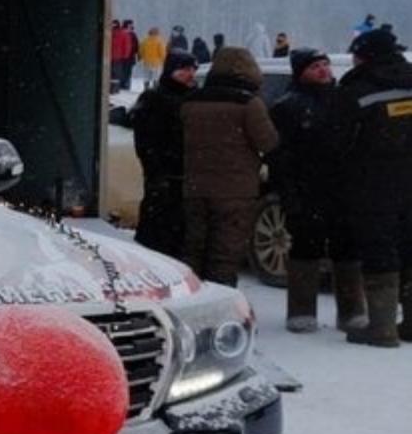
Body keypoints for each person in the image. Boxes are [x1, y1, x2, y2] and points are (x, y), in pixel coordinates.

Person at [269, 49, 363, 333]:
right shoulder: (287, 106)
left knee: (347, 248)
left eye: (325, 65)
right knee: (305, 248)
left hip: (344, 188)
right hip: (306, 188)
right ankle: (301, 311)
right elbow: (279, 157)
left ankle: (352, 312)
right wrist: (288, 194)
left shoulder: (345, 99)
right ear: (301, 72)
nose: (323, 70)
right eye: (315, 67)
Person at [333, 25, 412, 347]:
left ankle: (381, 327)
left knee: (380, 250)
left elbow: (336, 141)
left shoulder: (357, 91)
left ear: (364, 57)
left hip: (373, 185)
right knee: (410, 248)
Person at [178, 46, 278, 289]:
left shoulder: (191, 101)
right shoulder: (248, 103)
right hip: (235, 189)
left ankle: (190, 295)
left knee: (193, 248)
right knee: (225, 251)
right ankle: (220, 300)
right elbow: (268, 142)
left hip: (195, 186)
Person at [131, 51, 198, 259]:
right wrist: (156, 173)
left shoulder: (196, 99)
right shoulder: (154, 98)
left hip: (188, 180)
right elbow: (145, 141)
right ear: (171, 71)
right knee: (157, 239)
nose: (190, 74)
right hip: (163, 180)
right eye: (184, 69)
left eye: (193, 69)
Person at [110, 21, 135, 92]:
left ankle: (112, 88)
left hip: (111, 56)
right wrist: (125, 55)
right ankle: (116, 88)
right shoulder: (123, 34)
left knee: (113, 73)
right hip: (118, 57)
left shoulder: (110, 33)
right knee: (117, 73)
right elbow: (127, 46)